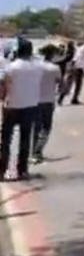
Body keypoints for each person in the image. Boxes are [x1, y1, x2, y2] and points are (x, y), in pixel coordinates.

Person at [0, 40, 42, 181]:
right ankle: (22, 170)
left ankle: (2, 170)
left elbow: (4, 88)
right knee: (25, 140)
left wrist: (3, 99)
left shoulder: (11, 67)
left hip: (11, 106)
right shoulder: (38, 67)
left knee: (6, 140)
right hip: (30, 106)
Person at [33, 46, 62, 163]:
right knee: (46, 127)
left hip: (34, 100)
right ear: (52, 55)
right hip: (48, 101)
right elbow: (60, 83)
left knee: (36, 127)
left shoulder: (36, 66)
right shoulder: (55, 68)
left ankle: (32, 151)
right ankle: (37, 151)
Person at [66, 40, 84, 105]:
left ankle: (62, 97)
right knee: (77, 85)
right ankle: (74, 98)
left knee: (70, 82)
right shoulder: (82, 50)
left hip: (75, 67)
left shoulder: (79, 50)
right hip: (78, 69)